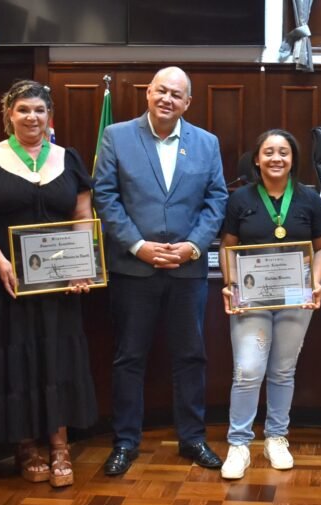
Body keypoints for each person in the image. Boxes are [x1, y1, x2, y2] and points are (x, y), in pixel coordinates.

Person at [0, 79, 97, 489]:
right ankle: (25, 446)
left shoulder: (67, 159)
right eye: (23, 110)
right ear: (9, 116)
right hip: (5, 281)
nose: (31, 117)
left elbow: (82, 212)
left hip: (56, 283)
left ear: (49, 116)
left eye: (39, 110)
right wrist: (0, 258)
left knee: (56, 356)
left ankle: (59, 444)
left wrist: (81, 262)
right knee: (14, 359)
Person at [93, 66, 228, 474]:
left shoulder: (206, 143)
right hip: (134, 270)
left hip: (187, 271)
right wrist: (138, 246)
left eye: (177, 95)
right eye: (161, 91)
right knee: (129, 357)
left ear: (188, 103)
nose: (168, 99)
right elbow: (105, 194)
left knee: (191, 356)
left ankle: (192, 439)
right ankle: (125, 442)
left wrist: (192, 246)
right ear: (148, 93)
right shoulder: (116, 136)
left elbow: (216, 198)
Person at [218, 129, 321, 479]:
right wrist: (231, 284)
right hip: (251, 298)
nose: (276, 158)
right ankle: (239, 443)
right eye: (269, 152)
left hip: (296, 298)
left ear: (293, 158)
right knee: (249, 369)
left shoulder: (310, 200)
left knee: (283, 371)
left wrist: (317, 281)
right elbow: (228, 246)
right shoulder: (240, 199)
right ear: (257, 159)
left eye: (284, 152)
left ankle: (276, 437)